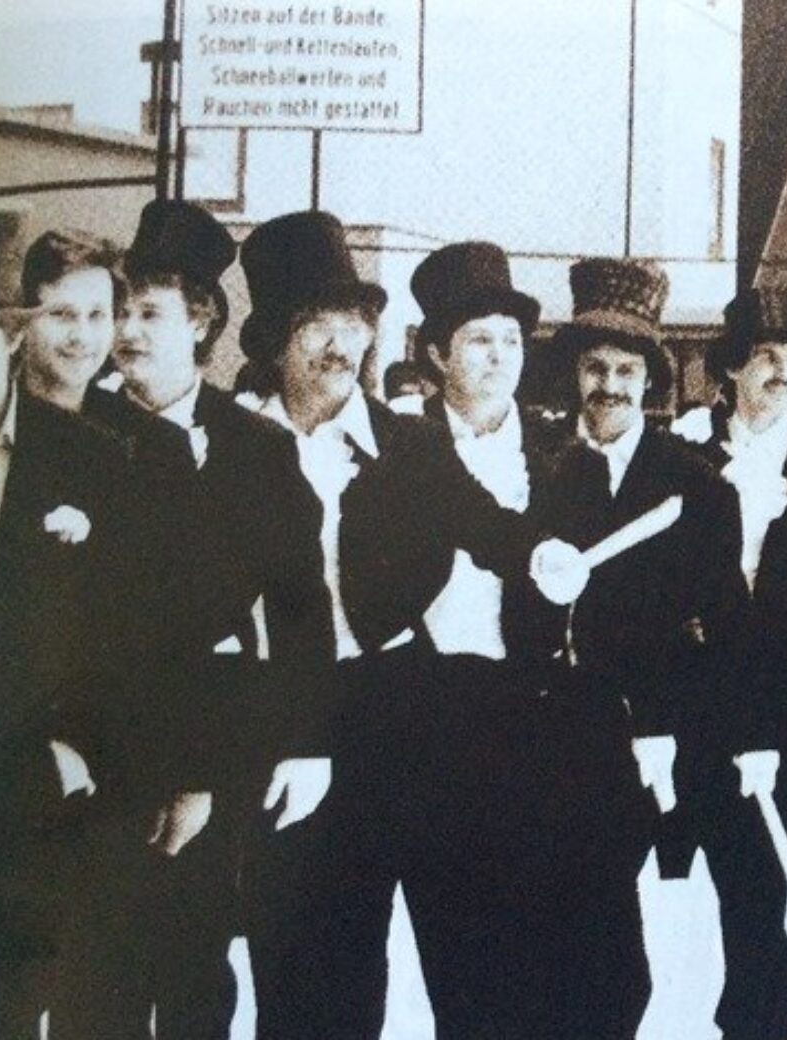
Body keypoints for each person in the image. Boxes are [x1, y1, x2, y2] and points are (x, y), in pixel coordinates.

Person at [233, 211, 537, 1040]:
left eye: (354, 323)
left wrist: (547, 554)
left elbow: (493, 528)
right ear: (276, 338)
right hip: (280, 715)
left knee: (468, 959)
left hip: (403, 714)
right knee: (309, 977)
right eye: (316, 324)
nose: (340, 345)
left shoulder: (408, 446)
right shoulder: (231, 443)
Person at [66, 200, 331, 1039]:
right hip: (92, 759)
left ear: (202, 320)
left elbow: (300, 604)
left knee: (195, 978)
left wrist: (304, 743)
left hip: (217, 755)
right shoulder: (72, 434)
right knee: (94, 987)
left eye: (149, 312)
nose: (126, 332)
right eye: (119, 312)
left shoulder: (255, 447)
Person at [528, 257, 746, 1040]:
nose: (610, 386)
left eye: (626, 371)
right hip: (542, 730)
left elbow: (728, 625)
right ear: (573, 374)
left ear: (651, 380)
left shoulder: (697, 487)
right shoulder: (535, 472)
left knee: (619, 941)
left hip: (648, 735)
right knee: (551, 928)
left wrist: (695, 731)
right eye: (596, 368)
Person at [0, 207, 138, 1036]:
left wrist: (76, 750)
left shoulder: (87, 459)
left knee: (1, 1005)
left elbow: (122, 630)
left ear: (8, 338)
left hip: (16, 773)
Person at [398, 239, 573, 1037]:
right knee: (459, 956)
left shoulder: (560, 456)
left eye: (511, 338)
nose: (500, 356)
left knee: (544, 952)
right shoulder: (400, 451)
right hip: (430, 715)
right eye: (478, 339)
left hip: (534, 715)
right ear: (437, 354)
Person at [668, 286, 787, 1040]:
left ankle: (755, 1010)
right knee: (729, 844)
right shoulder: (684, 454)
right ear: (731, 367)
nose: (784, 372)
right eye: (768, 356)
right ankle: (764, 999)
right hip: (706, 683)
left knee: (769, 848)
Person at [16, 227, 120, 412]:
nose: (81, 336)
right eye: (62, 314)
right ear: (23, 321)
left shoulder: (146, 428)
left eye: (96, 315)